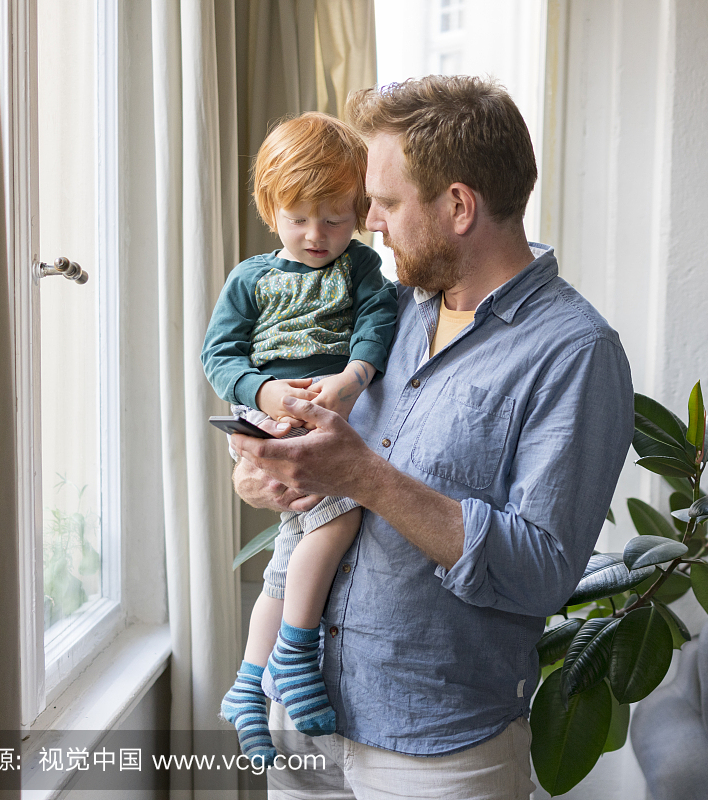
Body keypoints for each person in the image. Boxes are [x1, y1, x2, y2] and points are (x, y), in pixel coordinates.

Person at [232, 76, 634, 800]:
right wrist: (268, 474)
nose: (370, 223)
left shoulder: (575, 353)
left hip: (437, 749)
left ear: (458, 205)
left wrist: (369, 478)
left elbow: (543, 570)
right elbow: (324, 453)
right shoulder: (391, 313)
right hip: (304, 712)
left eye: (384, 203)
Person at [201, 112, 398, 754]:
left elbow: (379, 320)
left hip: (331, 410)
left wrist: (351, 378)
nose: (317, 235)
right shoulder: (251, 279)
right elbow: (220, 354)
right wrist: (264, 393)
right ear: (271, 210)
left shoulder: (363, 268)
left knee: (286, 564)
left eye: (336, 218)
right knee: (336, 520)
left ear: (360, 209)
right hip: (272, 417)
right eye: (299, 218)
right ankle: (293, 650)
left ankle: (250, 682)